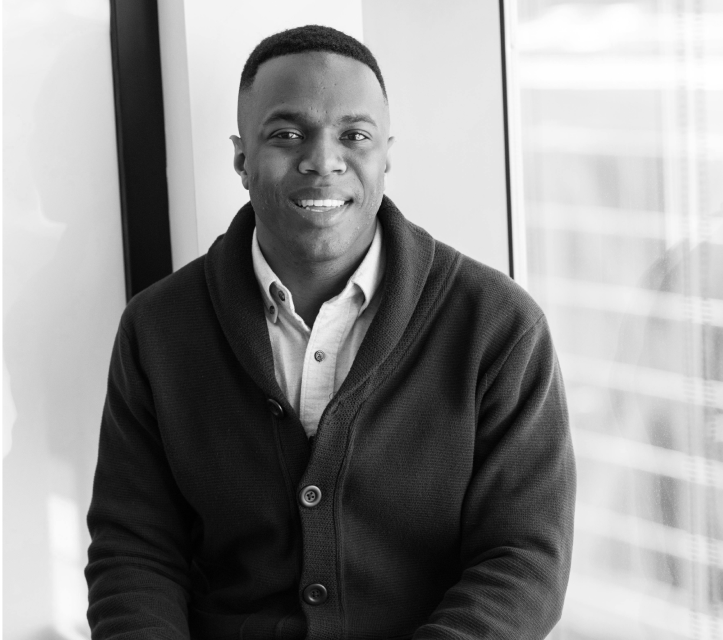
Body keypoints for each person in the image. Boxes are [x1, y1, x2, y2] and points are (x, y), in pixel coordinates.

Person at [85, 24, 575, 640]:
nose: (323, 160)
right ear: (241, 158)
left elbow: (523, 561)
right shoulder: (158, 330)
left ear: (385, 154)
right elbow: (134, 553)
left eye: (354, 135)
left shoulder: (498, 327)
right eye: (287, 135)